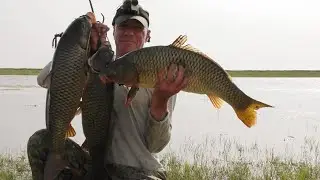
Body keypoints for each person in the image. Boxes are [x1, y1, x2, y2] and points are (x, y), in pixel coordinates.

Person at [27, 1, 189, 180]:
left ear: (148, 35)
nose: (128, 31)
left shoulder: (161, 76)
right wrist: (85, 49)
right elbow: (44, 80)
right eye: (123, 26)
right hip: (97, 163)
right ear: (114, 30)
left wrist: (161, 100)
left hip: (140, 171)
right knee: (40, 142)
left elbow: (156, 146)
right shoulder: (96, 62)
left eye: (136, 28)